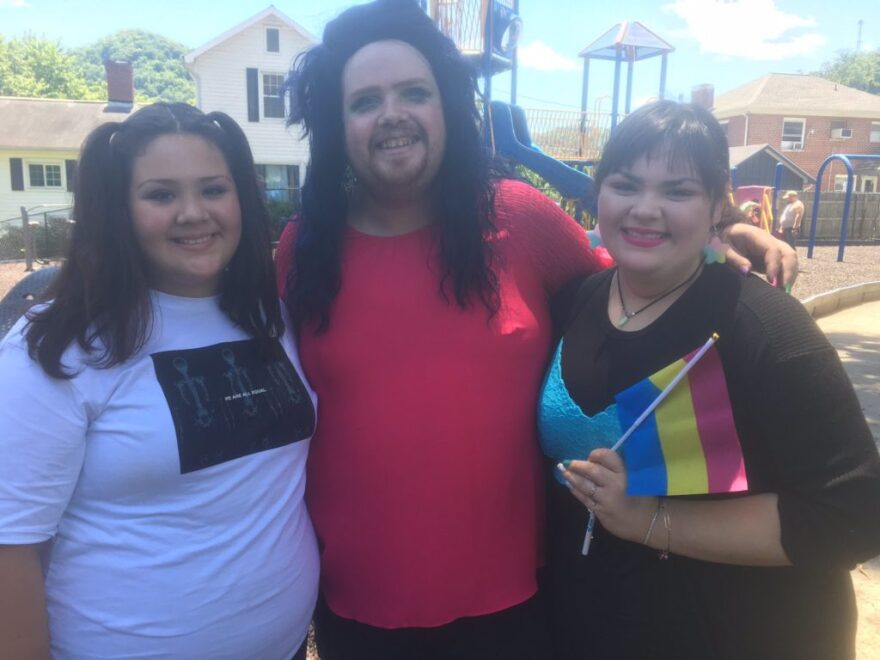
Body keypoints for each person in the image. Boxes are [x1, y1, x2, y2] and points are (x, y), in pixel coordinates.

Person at [277, 2, 798, 657]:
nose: (393, 114)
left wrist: (719, 236)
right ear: (336, 120)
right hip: (358, 604)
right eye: (365, 100)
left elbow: (632, 275)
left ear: (447, 105)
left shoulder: (518, 219)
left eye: (415, 92)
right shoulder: (304, 250)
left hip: (516, 599)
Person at [547, 101, 880, 660]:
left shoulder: (760, 323)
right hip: (591, 624)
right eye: (625, 185)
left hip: (744, 632)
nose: (645, 209)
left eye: (678, 192)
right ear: (597, 193)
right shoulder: (577, 298)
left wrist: (651, 520)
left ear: (716, 206)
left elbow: (853, 513)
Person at [0, 103, 319, 658]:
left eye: (214, 189)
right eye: (160, 195)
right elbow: (11, 545)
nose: (194, 213)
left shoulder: (271, 318)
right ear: (119, 211)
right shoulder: (58, 346)